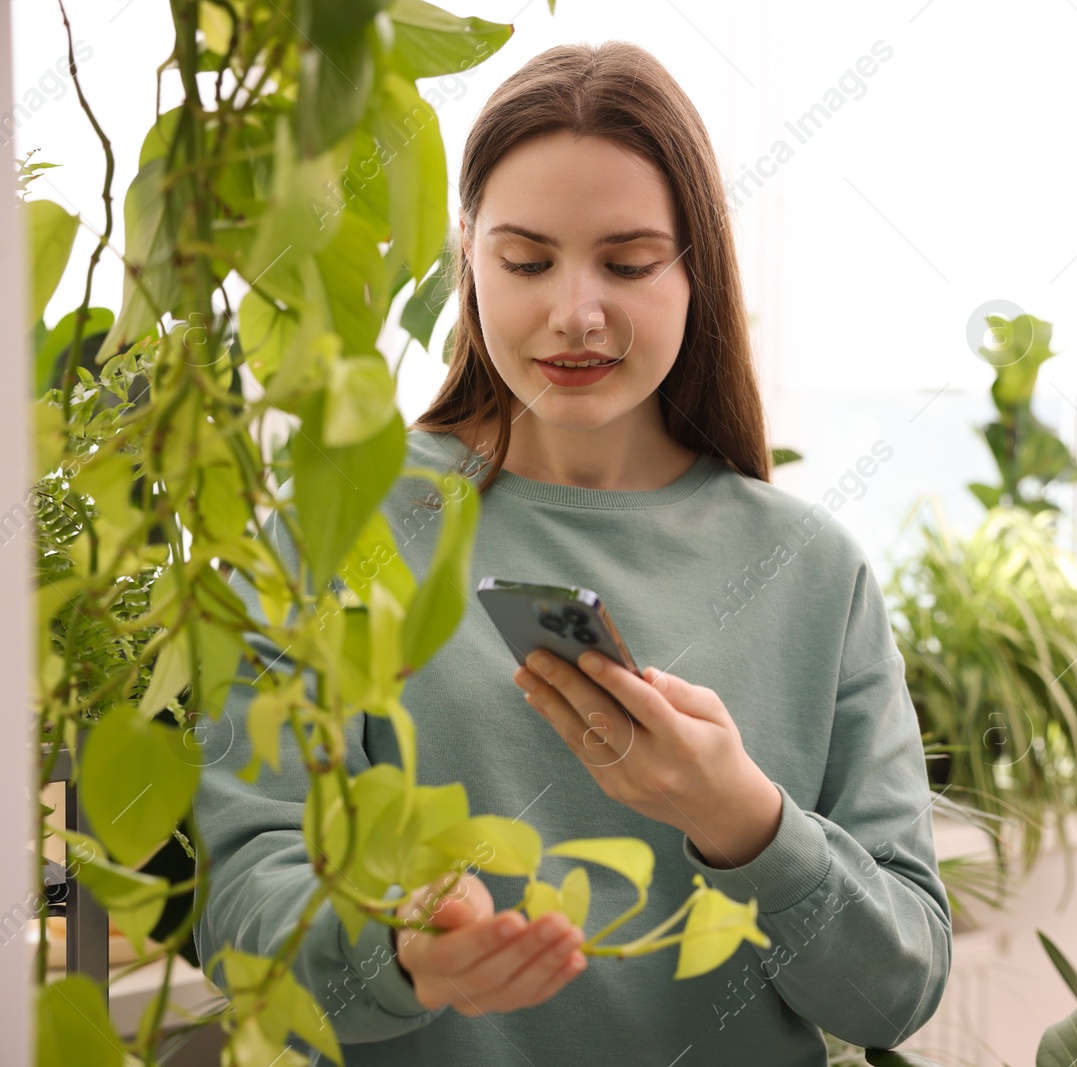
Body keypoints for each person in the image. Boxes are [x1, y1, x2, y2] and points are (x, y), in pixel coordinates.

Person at [194, 39, 951, 1067]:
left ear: (697, 270)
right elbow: (240, 905)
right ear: (469, 257)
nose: (575, 312)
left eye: (629, 263)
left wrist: (742, 818)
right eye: (526, 260)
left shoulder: (812, 570)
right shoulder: (338, 519)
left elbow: (896, 986)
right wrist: (397, 953)